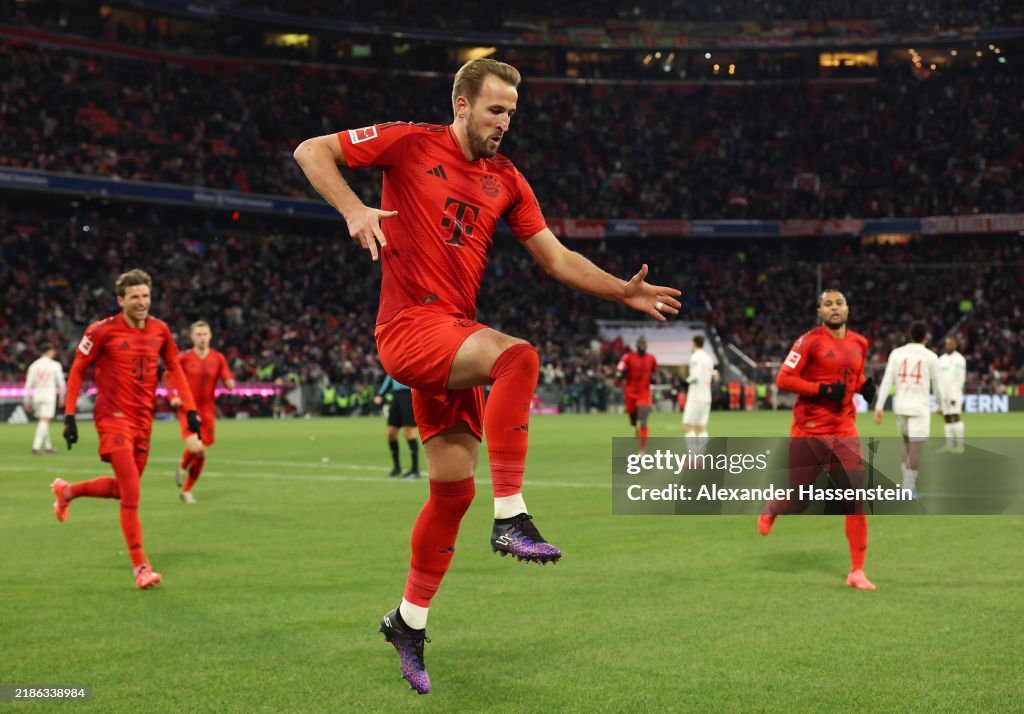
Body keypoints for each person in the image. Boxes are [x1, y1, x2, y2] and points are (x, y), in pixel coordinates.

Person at [293, 57, 681, 694]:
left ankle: (407, 621)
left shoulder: (507, 179)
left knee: (451, 493)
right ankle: (512, 514)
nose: (505, 123)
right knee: (518, 356)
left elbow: (555, 257)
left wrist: (622, 293)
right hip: (409, 329)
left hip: (450, 337)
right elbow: (312, 151)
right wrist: (353, 208)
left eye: (512, 113)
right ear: (462, 105)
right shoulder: (410, 143)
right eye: (495, 110)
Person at [51, 269, 200, 589]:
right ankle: (140, 567)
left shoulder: (161, 330)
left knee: (122, 488)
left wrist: (190, 411)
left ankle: (67, 491)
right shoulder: (102, 331)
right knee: (132, 493)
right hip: (112, 417)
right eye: (135, 297)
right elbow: (77, 370)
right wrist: (69, 415)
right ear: (121, 300)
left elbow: (174, 368)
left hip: (143, 421)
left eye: (146, 296)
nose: (142, 302)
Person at [758, 289, 878, 590]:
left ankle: (857, 571)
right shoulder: (809, 341)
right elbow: (783, 379)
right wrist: (822, 391)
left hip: (844, 429)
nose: (834, 308)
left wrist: (865, 386)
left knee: (854, 500)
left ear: (847, 309)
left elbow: (855, 374)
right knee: (799, 500)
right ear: (819, 311)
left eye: (839, 303)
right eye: (828, 304)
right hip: (808, 430)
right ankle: (774, 507)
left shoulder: (860, 342)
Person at [873, 321, 942, 498]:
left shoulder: (896, 353)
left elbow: (887, 380)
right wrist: (941, 405)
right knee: (915, 448)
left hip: (901, 406)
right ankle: (908, 489)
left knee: (906, 444)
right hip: (919, 407)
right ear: (926, 337)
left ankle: (904, 485)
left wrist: (879, 406)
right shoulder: (931, 357)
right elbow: (937, 385)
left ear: (910, 335)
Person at [169, 320, 236, 504]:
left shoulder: (218, 358)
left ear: (210, 336)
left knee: (202, 454)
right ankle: (182, 466)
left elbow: (227, 376)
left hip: (207, 412)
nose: (202, 338)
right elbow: (167, 376)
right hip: (188, 409)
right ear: (192, 337)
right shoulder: (184, 358)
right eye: (198, 334)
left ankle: (187, 490)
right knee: (195, 447)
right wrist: (171, 396)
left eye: (205, 334)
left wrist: (230, 382)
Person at [373, 373, 420, 478]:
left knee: (408, 431)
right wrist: (381, 394)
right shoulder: (396, 359)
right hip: (396, 395)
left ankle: (415, 469)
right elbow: (390, 375)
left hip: (409, 394)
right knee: (391, 432)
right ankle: (397, 467)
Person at [616, 337, 659, 452]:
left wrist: (655, 379)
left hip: (644, 394)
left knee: (643, 419)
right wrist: (621, 375)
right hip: (630, 393)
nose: (642, 345)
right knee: (633, 419)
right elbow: (620, 372)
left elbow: (655, 372)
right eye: (640, 343)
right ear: (636, 345)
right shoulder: (628, 357)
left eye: (643, 343)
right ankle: (635, 428)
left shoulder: (651, 358)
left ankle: (642, 450)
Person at [23, 343, 65, 454]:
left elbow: (28, 384)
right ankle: (36, 446)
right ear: (49, 351)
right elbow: (61, 383)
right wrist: (62, 397)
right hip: (49, 396)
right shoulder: (55, 365)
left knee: (43, 420)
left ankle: (48, 446)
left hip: (37, 396)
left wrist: (26, 399)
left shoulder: (34, 365)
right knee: (45, 420)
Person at [682, 334, 716, 454]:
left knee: (687, 425)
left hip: (695, 396)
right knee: (702, 426)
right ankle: (701, 457)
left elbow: (695, 376)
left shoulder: (695, 357)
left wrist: (686, 381)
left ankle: (693, 458)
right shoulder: (708, 358)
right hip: (706, 395)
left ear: (695, 343)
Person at [937, 336, 967, 453]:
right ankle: (948, 445)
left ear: (955, 345)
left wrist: (955, 394)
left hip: (954, 393)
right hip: (944, 394)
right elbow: (939, 378)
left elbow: (961, 379)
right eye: (947, 344)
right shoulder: (941, 359)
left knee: (956, 416)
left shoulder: (960, 359)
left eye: (951, 344)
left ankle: (960, 445)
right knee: (947, 418)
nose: (949, 345)